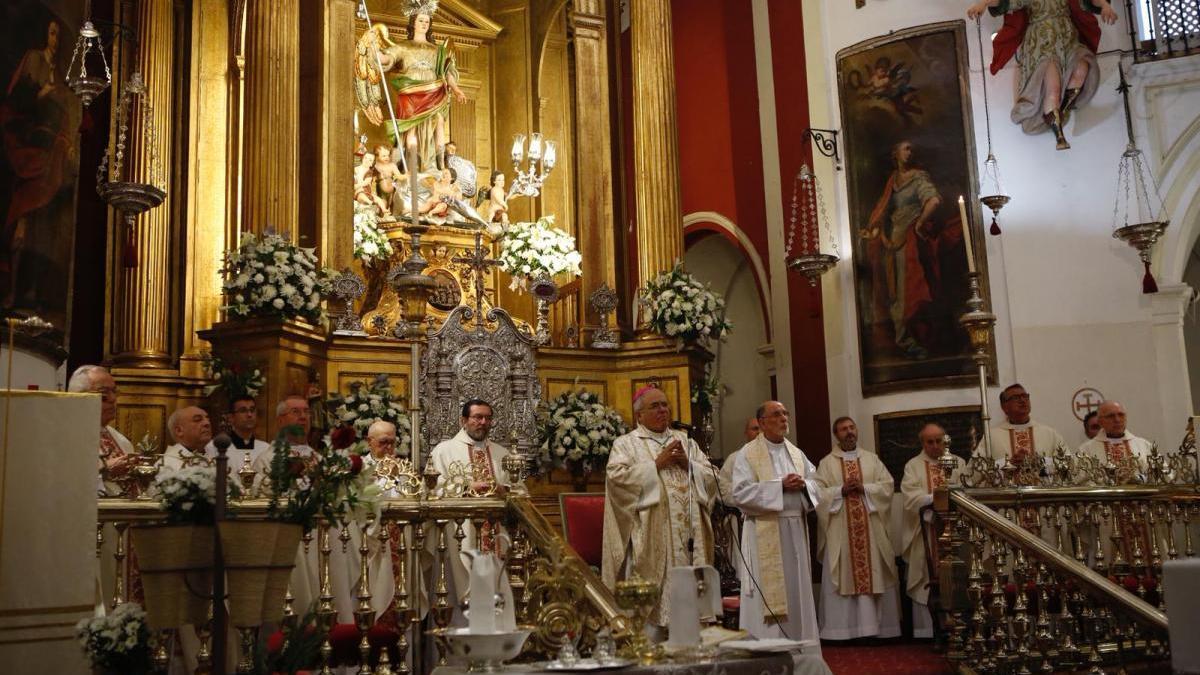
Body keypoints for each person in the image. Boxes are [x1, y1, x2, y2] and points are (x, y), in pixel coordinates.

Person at [601, 385, 717, 632]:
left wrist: (689, 465)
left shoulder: (686, 441)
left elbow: (713, 478)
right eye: (655, 406)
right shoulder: (627, 444)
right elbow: (616, 480)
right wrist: (656, 465)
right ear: (639, 415)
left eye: (665, 405)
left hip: (689, 537)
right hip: (651, 537)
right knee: (653, 613)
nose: (663, 410)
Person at [968, 0, 1119, 150]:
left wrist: (1105, 6)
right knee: (1053, 89)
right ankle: (1059, 133)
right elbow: (1004, 2)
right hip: (1042, 44)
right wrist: (984, 3)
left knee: (1082, 67)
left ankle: (1061, 109)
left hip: (1067, 39)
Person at [729, 401, 820, 642]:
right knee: (768, 597)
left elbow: (817, 485)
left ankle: (803, 647)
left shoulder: (797, 453)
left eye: (785, 413)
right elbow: (740, 494)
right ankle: (769, 647)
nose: (784, 418)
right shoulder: (747, 454)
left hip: (795, 531)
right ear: (762, 422)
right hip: (764, 531)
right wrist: (779, 486)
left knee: (797, 591)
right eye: (777, 414)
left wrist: (804, 486)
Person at [813, 416, 901, 640]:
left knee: (874, 572)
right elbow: (817, 494)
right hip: (840, 532)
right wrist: (840, 491)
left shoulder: (872, 460)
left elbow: (887, 487)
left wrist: (865, 488)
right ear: (836, 434)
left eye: (852, 427)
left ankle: (879, 630)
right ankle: (842, 631)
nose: (849, 432)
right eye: (843, 429)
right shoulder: (826, 463)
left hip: (870, 530)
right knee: (843, 574)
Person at [355, 11, 467, 171]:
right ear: (413, 23)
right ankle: (411, 164)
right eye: (421, 20)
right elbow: (387, 59)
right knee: (410, 127)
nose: (424, 24)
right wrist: (375, 50)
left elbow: (446, 71)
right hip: (410, 93)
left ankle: (440, 163)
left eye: (427, 22)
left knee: (439, 123)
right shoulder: (403, 46)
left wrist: (456, 89)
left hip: (434, 91)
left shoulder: (437, 50)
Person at [862, 140, 940, 361]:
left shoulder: (918, 177)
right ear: (895, 153)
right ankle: (901, 339)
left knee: (909, 290)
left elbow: (933, 201)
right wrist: (876, 232)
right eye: (905, 148)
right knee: (894, 292)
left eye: (911, 149)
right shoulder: (892, 181)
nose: (910, 152)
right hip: (892, 241)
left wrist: (918, 223)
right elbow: (883, 211)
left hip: (910, 240)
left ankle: (911, 339)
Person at [900, 423, 965, 640]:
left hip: (955, 531)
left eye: (939, 441)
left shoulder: (959, 462)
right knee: (926, 576)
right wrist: (937, 498)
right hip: (927, 531)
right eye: (930, 441)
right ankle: (927, 631)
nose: (935, 446)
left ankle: (959, 627)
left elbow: (967, 490)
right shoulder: (913, 465)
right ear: (922, 443)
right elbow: (910, 496)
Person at [974, 384, 1068, 479]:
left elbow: (1067, 465)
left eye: (1025, 396)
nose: (1022, 400)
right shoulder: (991, 437)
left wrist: (1039, 463)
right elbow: (975, 471)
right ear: (1004, 406)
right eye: (1016, 398)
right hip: (1008, 493)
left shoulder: (1050, 434)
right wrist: (1008, 464)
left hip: (1042, 492)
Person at [68, 365, 134, 496]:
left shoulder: (122, 441)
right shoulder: (66, 434)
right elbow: (63, 479)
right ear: (79, 397)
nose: (113, 399)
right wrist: (105, 469)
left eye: (115, 392)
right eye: (104, 394)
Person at [1077, 401, 1154, 482]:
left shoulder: (1144, 445)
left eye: (1121, 415)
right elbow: (1080, 481)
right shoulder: (1085, 450)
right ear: (1100, 421)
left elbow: (1162, 476)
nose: (1117, 420)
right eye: (1110, 416)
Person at [205, 395, 269, 476]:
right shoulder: (215, 447)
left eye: (252, 410)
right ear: (231, 418)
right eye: (243, 411)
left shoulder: (266, 448)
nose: (249, 414)